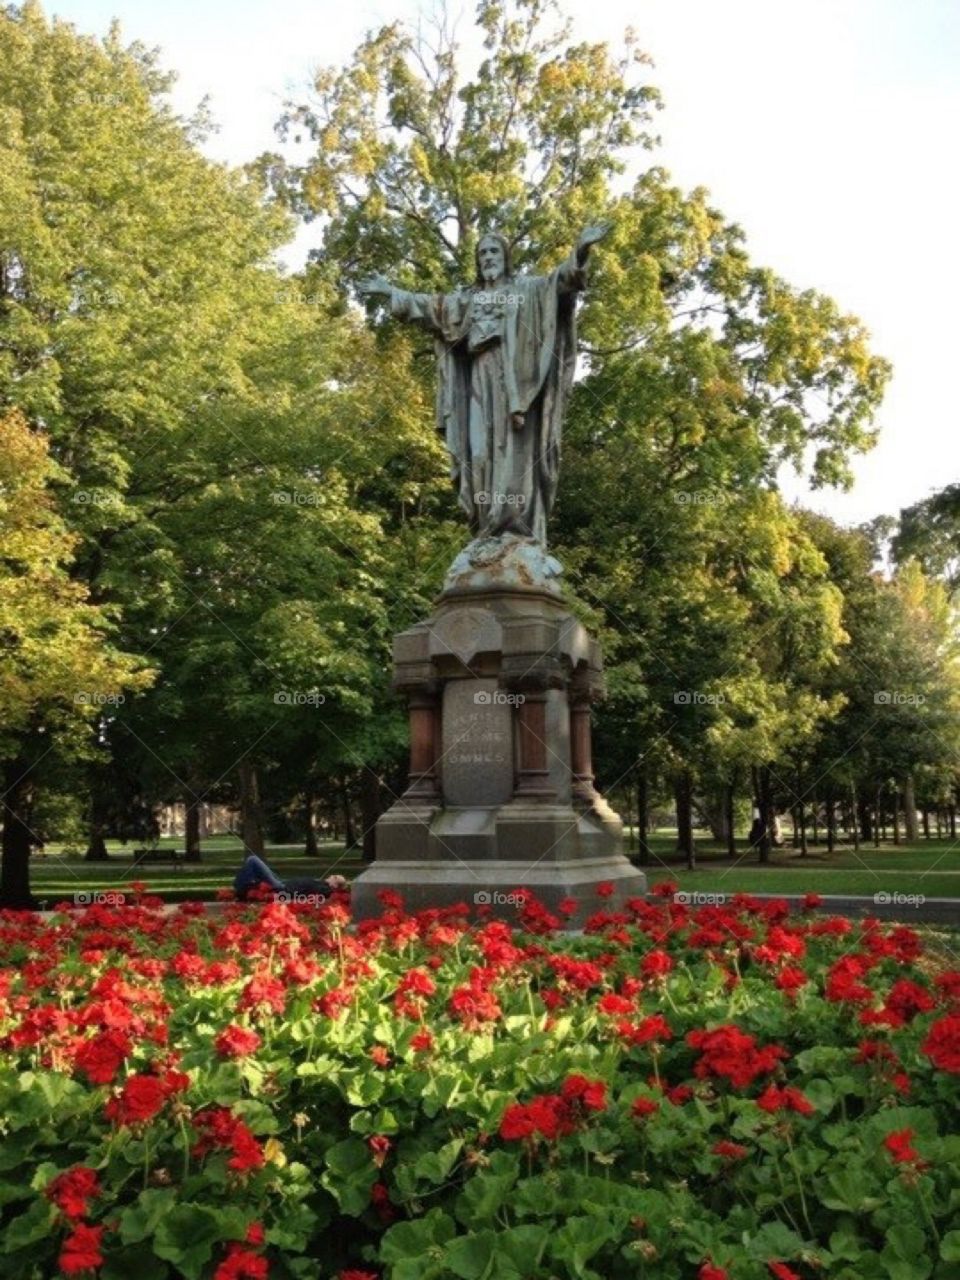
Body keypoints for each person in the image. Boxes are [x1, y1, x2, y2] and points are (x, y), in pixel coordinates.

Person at [233, 853, 348, 903]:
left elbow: (322, 895)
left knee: (253, 860)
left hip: (282, 888)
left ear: (334, 885)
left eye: (335, 877)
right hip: (282, 882)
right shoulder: (322, 884)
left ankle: (241, 888)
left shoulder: (325, 889)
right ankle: (243, 886)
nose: (332, 875)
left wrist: (332, 889)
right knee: (253, 864)